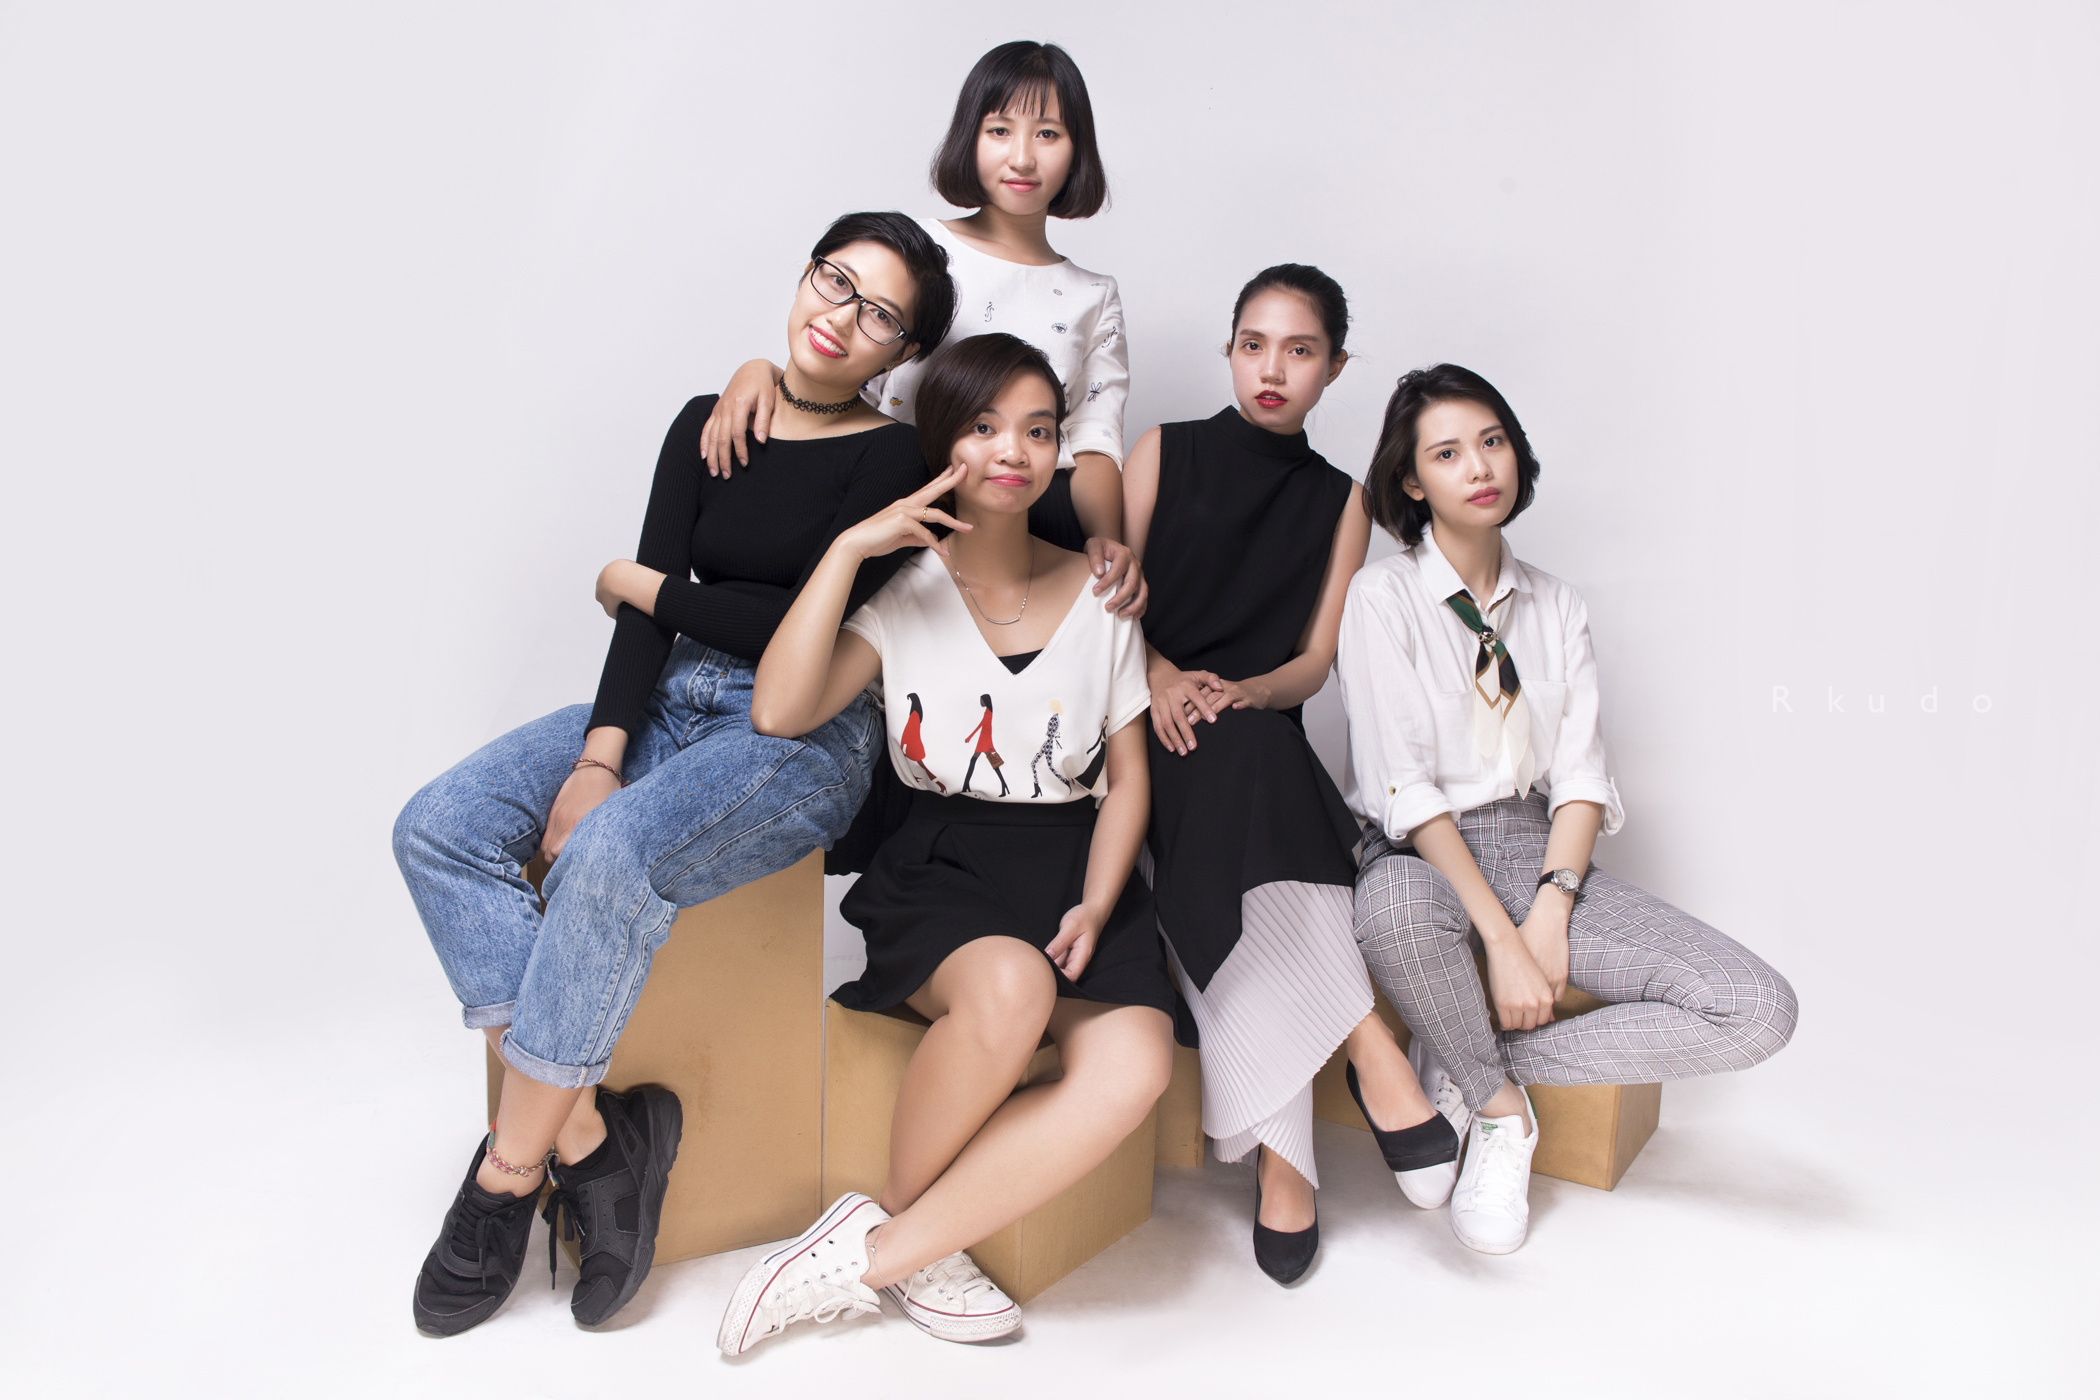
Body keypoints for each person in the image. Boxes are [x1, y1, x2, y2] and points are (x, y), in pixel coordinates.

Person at [391, 211, 957, 1336]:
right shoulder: (710, 420)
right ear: (804, 274)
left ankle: (505, 1178)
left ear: (902, 352)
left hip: (797, 735)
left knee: (610, 856)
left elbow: (797, 626)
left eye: (879, 314)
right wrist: (601, 753)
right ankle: (595, 1138)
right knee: (439, 824)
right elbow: (658, 615)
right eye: (833, 281)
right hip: (666, 697)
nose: (841, 317)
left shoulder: (892, 460)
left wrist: (640, 583)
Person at [721, 333, 1172, 1352]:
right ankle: (906, 1241)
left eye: (1040, 430)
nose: (1014, 449)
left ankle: (873, 1250)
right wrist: (850, 550)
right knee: (1011, 987)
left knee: (1137, 1066)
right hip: (944, 865)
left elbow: (1130, 778)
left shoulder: (1106, 594)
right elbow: (779, 710)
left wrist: (1100, 902)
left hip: (1079, 867)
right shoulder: (902, 594)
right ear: (941, 444)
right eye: (983, 426)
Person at [1338, 363, 1799, 1256]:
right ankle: (1502, 1112)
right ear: (1411, 480)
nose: (1480, 466)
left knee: (1756, 1008)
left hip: (1536, 846)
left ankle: (1469, 1063)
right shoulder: (1382, 598)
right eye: (1447, 453)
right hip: (1422, 853)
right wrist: (1504, 945)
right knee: (1390, 908)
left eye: (1493, 441)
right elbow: (1406, 790)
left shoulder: (1558, 606)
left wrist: (1549, 912)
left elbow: (1582, 780)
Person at [1124, 266, 1463, 1285]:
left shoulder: (1340, 500)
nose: (1272, 369)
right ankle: (1368, 1047)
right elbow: (1108, 606)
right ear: (1230, 350)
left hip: (1253, 735)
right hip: (1142, 720)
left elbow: (1313, 663)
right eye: (1254, 344)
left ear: (1335, 368)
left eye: (1300, 350)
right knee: (1249, 768)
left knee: (1256, 747)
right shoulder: (1162, 450)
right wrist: (1164, 675)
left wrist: (1244, 691)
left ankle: (1286, 1162)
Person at [699, 40, 1143, 617]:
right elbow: (837, 356)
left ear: (1078, 148)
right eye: (999, 130)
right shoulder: (916, 249)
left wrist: (1107, 541)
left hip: (1025, 523)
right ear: (969, 136)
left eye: (1048, 134)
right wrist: (758, 370)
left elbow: (1093, 439)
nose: (1023, 158)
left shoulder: (1094, 294)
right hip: (890, 503)